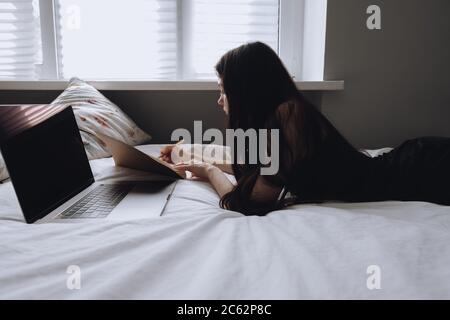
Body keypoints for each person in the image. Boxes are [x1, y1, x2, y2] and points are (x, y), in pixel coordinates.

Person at [160, 42, 450, 216]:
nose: (219, 100)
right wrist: (186, 152)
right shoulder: (277, 117)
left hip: (421, 169)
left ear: (246, 91)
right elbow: (244, 164)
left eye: (225, 90)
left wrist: (209, 172)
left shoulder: (288, 115)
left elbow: (251, 203)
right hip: (413, 163)